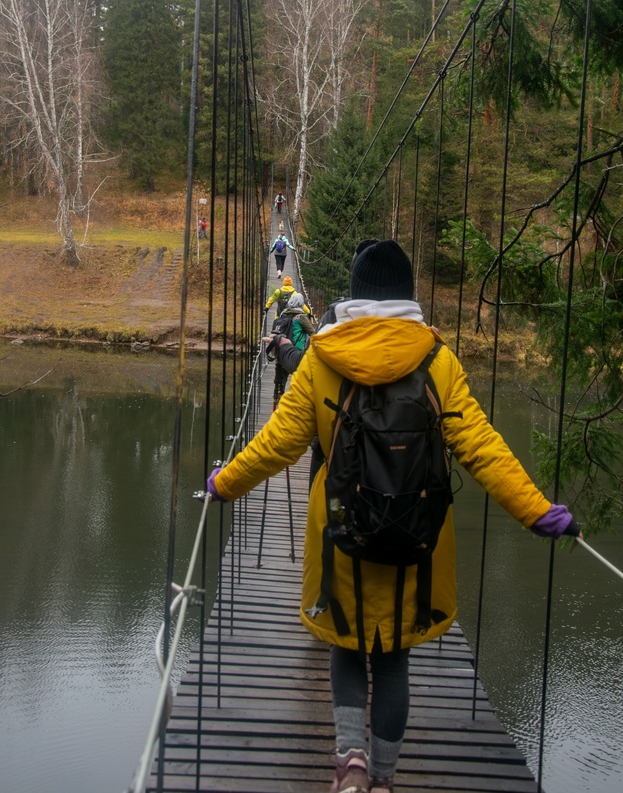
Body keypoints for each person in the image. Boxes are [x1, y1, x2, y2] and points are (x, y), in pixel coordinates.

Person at [207, 239, 579, 793]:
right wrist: (537, 510)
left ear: (355, 295)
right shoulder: (438, 361)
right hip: (416, 543)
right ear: (408, 295)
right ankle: (381, 780)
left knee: (347, 648)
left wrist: (224, 482)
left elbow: (278, 445)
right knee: (395, 662)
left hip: (340, 538)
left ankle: (349, 763)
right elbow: (482, 448)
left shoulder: (320, 360)